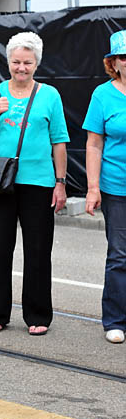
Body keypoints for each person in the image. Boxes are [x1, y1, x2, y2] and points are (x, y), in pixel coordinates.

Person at [0, 32, 69, 337]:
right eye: (16, 62)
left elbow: (60, 142)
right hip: (0, 182)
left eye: (27, 62)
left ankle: (38, 314)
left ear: (36, 63)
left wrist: (61, 183)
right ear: (8, 62)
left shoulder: (50, 96)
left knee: (38, 250)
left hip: (39, 182)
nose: (21, 68)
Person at [83, 29, 126, 345]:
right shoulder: (103, 95)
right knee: (120, 255)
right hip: (116, 187)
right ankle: (115, 320)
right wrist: (93, 187)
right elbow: (94, 144)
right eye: (124, 57)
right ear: (113, 63)